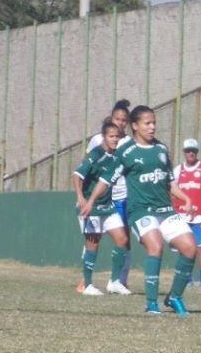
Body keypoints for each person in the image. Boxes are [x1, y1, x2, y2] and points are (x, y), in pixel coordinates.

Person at [83, 105, 196, 315]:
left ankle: (174, 297)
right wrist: (90, 201)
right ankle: (152, 303)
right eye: (147, 123)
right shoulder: (126, 152)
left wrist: (185, 197)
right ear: (135, 126)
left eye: (154, 123)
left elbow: (169, 182)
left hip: (165, 210)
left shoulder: (161, 150)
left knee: (190, 247)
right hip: (141, 211)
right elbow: (105, 180)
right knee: (155, 246)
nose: (152, 127)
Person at [78, 99, 132, 293]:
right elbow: (85, 169)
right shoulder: (97, 143)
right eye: (117, 118)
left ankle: (117, 281)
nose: (120, 123)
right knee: (93, 239)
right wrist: (84, 198)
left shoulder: (128, 142)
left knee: (123, 239)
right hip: (97, 199)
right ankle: (85, 281)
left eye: (124, 120)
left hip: (120, 197)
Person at [172, 138, 201, 287]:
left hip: (200, 216)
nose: (190, 153)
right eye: (188, 150)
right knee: (185, 248)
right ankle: (187, 278)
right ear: (184, 152)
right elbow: (172, 191)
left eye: (193, 151)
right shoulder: (178, 170)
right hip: (182, 216)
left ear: (197, 152)